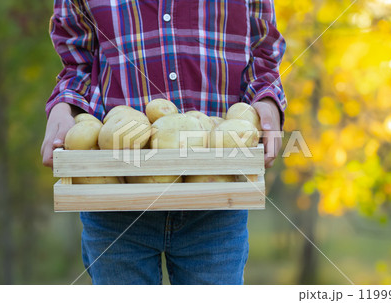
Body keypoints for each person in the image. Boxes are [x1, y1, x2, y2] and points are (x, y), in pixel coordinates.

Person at [41, 0, 286, 285]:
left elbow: (263, 52)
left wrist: (267, 100)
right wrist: (64, 106)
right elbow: (77, 63)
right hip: (115, 196)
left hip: (216, 196)